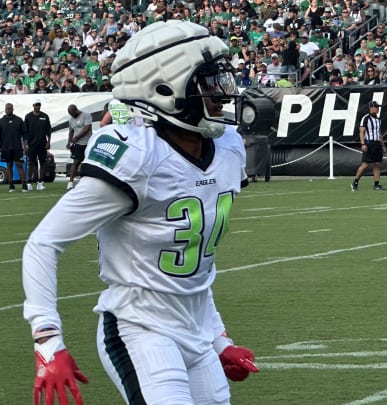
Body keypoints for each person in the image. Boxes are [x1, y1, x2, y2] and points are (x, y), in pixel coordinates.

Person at [22, 20, 258, 405]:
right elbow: (43, 243)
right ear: (165, 87)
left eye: (222, 80)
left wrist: (218, 338)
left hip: (197, 330)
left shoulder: (228, 146)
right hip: (139, 327)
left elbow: (196, 266)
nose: (223, 94)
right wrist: (48, 341)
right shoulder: (137, 155)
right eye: (209, 82)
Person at [351, 101, 387, 191]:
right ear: (371, 107)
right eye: (376, 107)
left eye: (378, 107)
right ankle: (355, 182)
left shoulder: (378, 120)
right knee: (365, 164)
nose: (378, 109)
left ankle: (376, 184)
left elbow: (379, 133)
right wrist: (363, 144)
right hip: (369, 143)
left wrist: (383, 145)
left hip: (377, 143)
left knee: (377, 164)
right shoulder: (366, 118)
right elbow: (361, 132)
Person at [24, 99, 52, 190]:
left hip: (42, 144)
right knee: (31, 163)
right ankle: (29, 183)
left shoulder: (45, 116)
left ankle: (40, 182)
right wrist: (26, 144)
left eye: (39, 105)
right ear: (33, 105)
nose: (38, 106)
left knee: (42, 162)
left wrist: (48, 142)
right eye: (36, 105)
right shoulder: (28, 116)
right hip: (31, 144)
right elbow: (25, 132)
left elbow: (49, 130)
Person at [0, 102, 29, 192]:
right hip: (5, 148)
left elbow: (24, 134)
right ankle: (11, 185)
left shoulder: (18, 120)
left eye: (10, 108)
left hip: (17, 147)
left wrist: (25, 144)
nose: (8, 110)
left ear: (13, 109)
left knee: (19, 165)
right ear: (5, 109)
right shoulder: (1, 121)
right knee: (9, 165)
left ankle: (24, 185)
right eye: (7, 108)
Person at [65, 104, 92, 190]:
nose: (72, 115)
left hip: (88, 143)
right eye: (70, 114)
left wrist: (77, 137)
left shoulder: (86, 115)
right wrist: (69, 142)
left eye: (73, 113)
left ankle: (87, 181)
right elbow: (71, 132)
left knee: (88, 163)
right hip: (77, 145)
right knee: (75, 162)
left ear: (76, 110)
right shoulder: (71, 120)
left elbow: (87, 127)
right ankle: (70, 182)